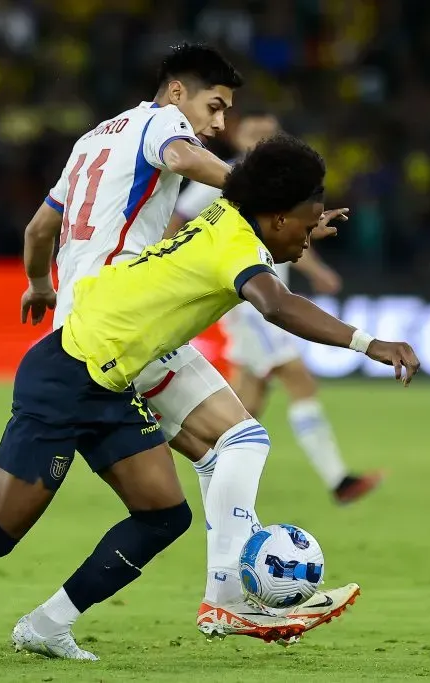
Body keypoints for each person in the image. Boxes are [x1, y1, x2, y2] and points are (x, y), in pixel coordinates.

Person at [0, 134, 420, 661]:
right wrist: (370, 342)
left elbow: (268, 230)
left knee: (165, 512)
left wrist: (305, 223)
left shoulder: (235, 215)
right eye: (304, 226)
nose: (308, 240)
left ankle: (49, 624)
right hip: (67, 375)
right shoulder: (236, 244)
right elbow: (277, 304)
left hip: (114, 378)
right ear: (277, 217)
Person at [19, 43, 361, 641]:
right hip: (124, 319)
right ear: (178, 92)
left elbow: (39, 227)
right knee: (234, 444)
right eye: (216, 106)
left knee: (218, 455)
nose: (219, 123)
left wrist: (37, 283)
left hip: (80, 320)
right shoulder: (165, 125)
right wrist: (266, 197)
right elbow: (182, 155)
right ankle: (228, 596)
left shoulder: (95, 139)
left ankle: (213, 600)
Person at [167, 111, 383, 505]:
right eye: (254, 133)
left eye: (269, 134)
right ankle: (339, 480)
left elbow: (286, 235)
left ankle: (207, 465)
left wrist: (316, 270)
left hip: (264, 291)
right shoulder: (225, 175)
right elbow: (178, 218)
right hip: (251, 301)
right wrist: (169, 263)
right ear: (238, 138)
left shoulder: (273, 186)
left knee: (245, 404)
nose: (262, 140)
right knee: (299, 380)